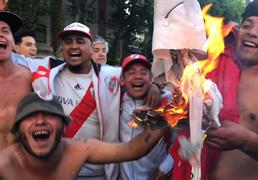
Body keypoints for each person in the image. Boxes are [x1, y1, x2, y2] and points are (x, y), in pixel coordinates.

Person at [170, 0, 258, 179]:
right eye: (247, 25)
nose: (252, 32)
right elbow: (179, 119)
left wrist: (247, 141)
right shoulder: (206, 71)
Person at [30, 22, 161, 180]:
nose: (73, 46)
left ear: (90, 47)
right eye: (68, 41)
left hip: (100, 172)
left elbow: (138, 78)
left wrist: (154, 86)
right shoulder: (47, 74)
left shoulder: (111, 75)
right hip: (58, 170)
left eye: (80, 41)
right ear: (62, 47)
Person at [0, 92, 166, 179]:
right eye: (30, 116)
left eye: (49, 114)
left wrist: (167, 117)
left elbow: (132, 149)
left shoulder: (78, 150)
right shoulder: (5, 165)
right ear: (18, 130)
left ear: (64, 126)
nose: (40, 121)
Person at [119, 54, 173, 180]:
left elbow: (182, 139)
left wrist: (166, 167)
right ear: (122, 80)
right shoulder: (115, 101)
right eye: (131, 72)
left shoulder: (167, 101)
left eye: (143, 73)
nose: (138, 76)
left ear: (150, 78)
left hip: (157, 176)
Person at [0, 11, 32, 150]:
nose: (0, 34)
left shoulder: (30, 79)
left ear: (13, 42)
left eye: (5, 31)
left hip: (20, 165)